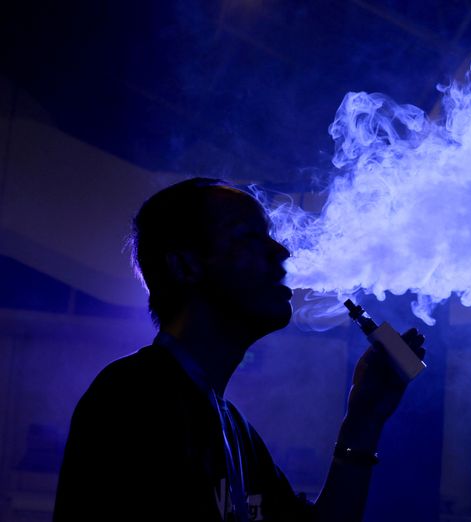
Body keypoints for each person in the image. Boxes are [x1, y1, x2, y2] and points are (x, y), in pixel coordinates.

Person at [53, 177, 425, 521]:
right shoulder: (131, 399)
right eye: (248, 236)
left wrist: (363, 420)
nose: (281, 251)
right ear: (185, 266)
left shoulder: (235, 430)